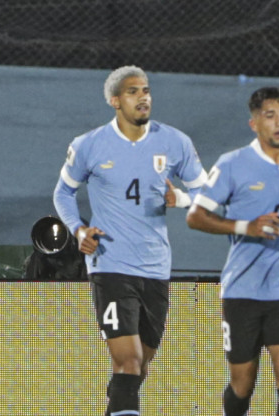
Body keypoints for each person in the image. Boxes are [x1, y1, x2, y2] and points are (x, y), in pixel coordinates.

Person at [53, 65, 207, 415]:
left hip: (155, 268)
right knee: (129, 360)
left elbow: (207, 193)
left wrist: (181, 199)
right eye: (134, 92)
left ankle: (116, 404)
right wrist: (79, 229)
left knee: (140, 366)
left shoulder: (174, 142)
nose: (144, 97)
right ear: (114, 100)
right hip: (110, 264)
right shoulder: (89, 145)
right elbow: (63, 193)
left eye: (147, 90)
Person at [186, 86, 279, 416]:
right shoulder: (233, 164)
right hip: (243, 289)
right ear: (254, 124)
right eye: (270, 116)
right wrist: (245, 226)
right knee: (243, 384)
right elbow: (195, 216)